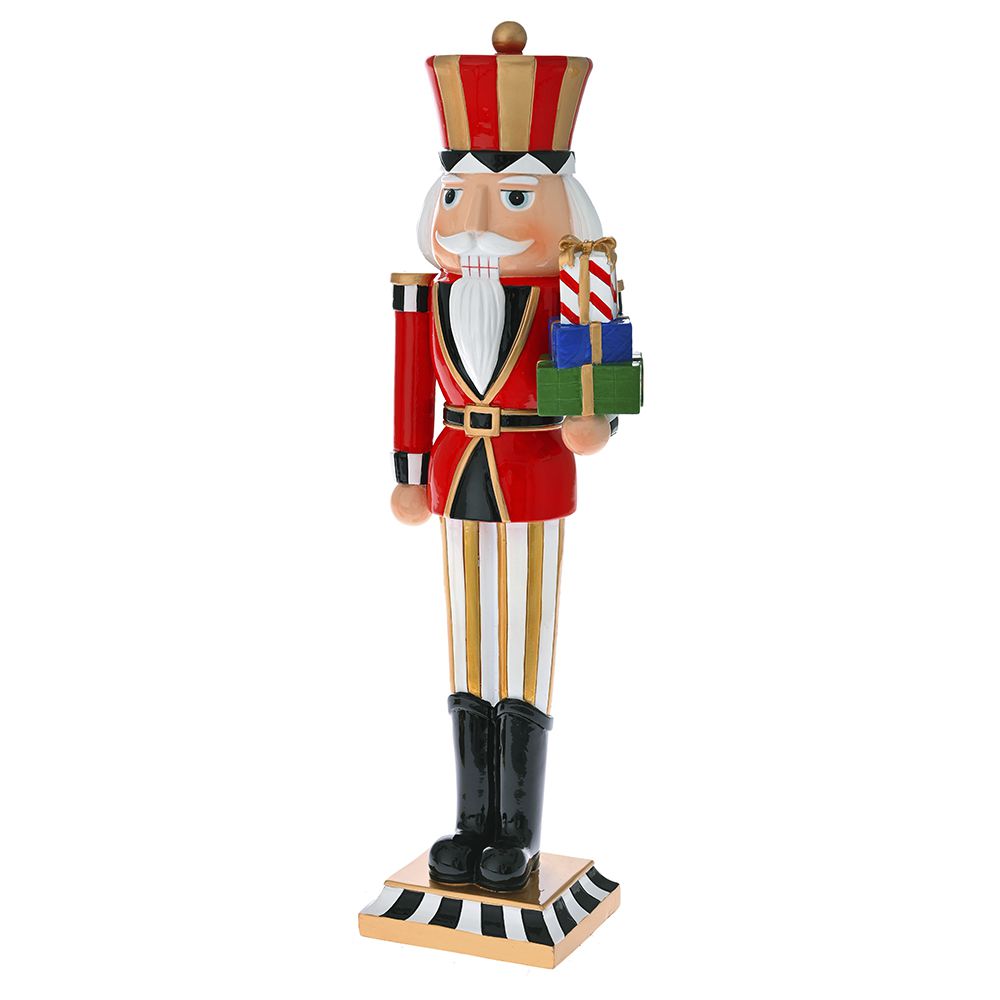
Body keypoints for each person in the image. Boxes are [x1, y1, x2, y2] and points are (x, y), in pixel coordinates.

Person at [389, 21, 618, 892]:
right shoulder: (429, 296)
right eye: (460, 194)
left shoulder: (572, 293)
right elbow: (412, 384)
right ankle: (469, 820)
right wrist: (409, 472)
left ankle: (516, 829)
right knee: (466, 644)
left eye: (514, 196)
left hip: (534, 471)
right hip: (456, 473)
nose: (479, 223)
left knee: (524, 642)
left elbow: (595, 379)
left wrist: (593, 421)